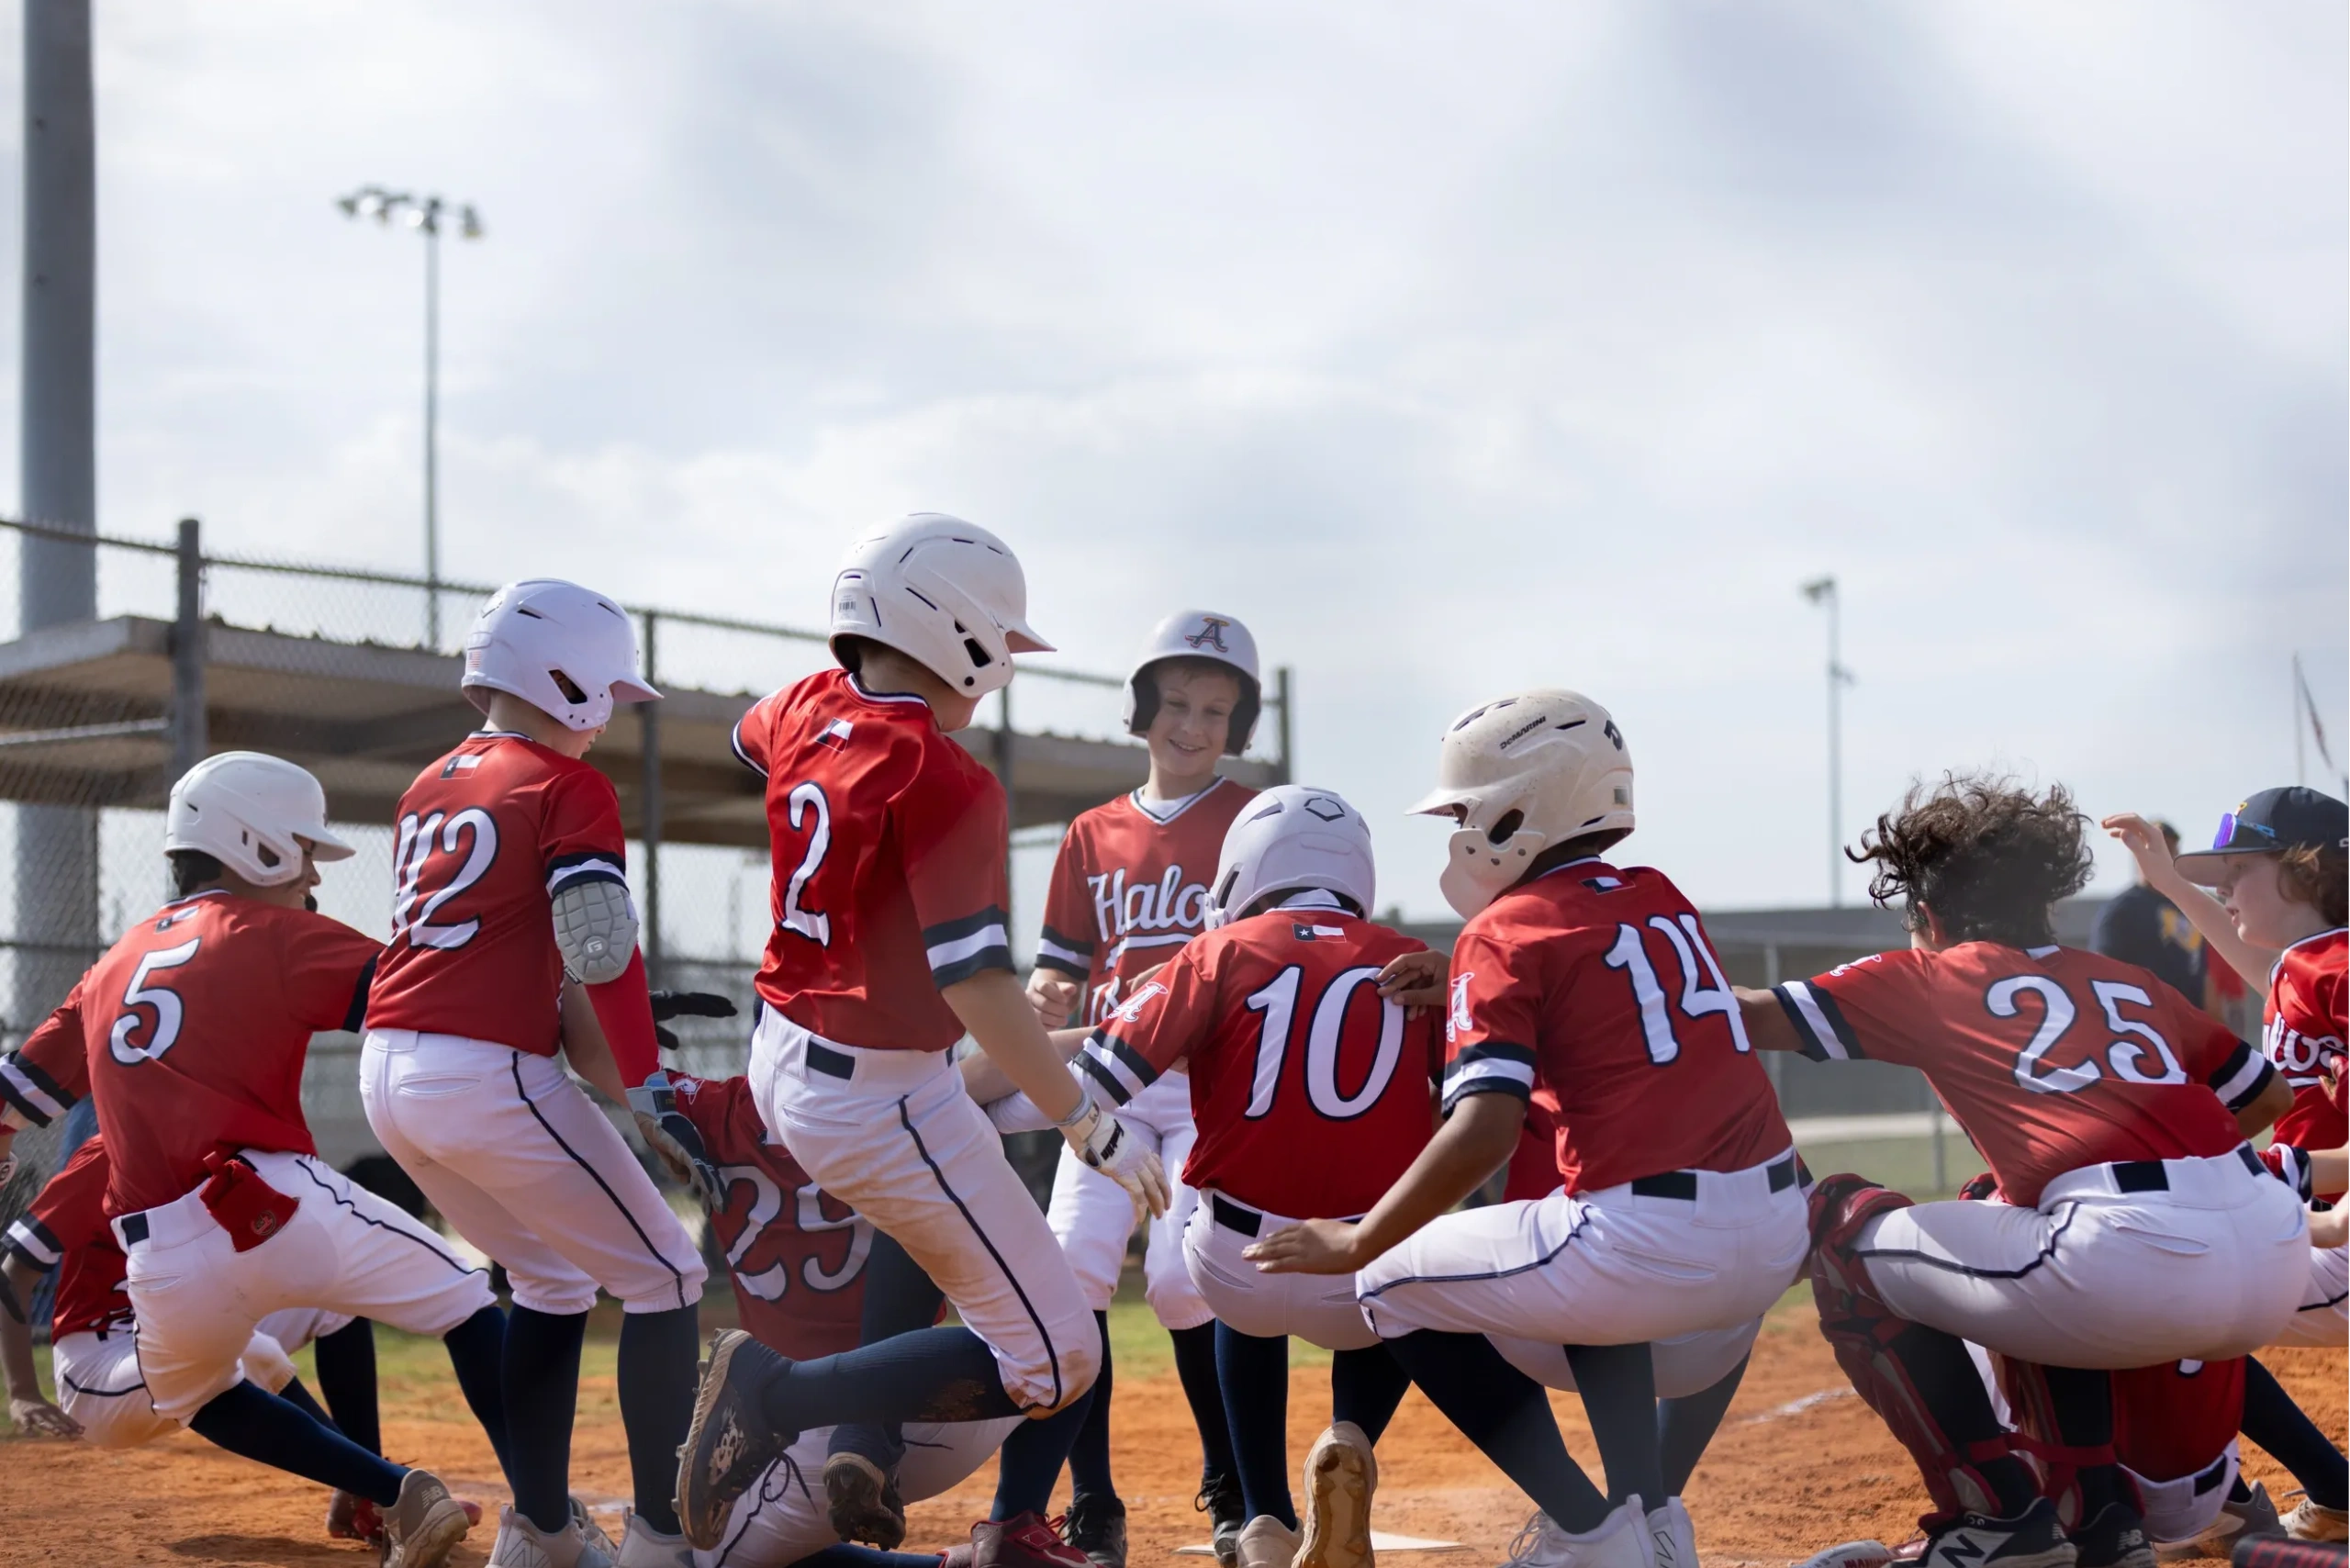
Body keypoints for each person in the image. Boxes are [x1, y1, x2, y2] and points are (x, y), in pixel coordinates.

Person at [676, 514, 1168, 1568]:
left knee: (962, 1218)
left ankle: (847, 1434)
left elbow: (745, 736)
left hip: (795, 1054)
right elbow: (980, 983)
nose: (999, 677)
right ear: (963, 638)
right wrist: (1085, 1120)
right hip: (876, 1092)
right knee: (1056, 1357)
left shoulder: (806, 704)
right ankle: (780, 1394)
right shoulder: (945, 777)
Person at [1248, 689, 1808, 1568]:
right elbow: (1617, 1017)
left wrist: (1359, 1239)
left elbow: (1483, 1134)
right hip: (1768, 1251)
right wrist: (1484, 984)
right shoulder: (1659, 895)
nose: (1456, 833)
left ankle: (1591, 1532)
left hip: (1655, 1253)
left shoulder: (1503, 930)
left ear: (1518, 808)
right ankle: (1654, 1518)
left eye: (1464, 811)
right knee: (1580, 1245)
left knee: (1393, 1280)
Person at [1747, 775, 2307, 1568]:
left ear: (1930, 916)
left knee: (1843, 1230)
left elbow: (1737, 1014)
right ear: (2043, 904)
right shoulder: (2127, 980)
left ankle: (2000, 1519)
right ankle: (2115, 1516)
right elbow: (2269, 1094)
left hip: (2124, 1258)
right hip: (2266, 1250)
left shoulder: (1937, 975)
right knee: (2004, 1212)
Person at [0, 752, 508, 1567]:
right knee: (466, 1300)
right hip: (260, 1200)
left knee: (207, 1387)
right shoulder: (273, 932)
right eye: (302, 852)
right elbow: (429, 990)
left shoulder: (111, 965)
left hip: (162, 1259)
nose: (311, 876)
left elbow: (17, 1092)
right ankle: (543, 1528)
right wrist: (571, 1002)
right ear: (256, 845)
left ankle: (381, 1489)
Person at [362, 577, 711, 1568]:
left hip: (390, 1071)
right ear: (565, 681)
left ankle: (541, 1533)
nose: (608, 719)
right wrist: (648, 1089)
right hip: (482, 1072)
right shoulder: (564, 784)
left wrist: (626, 1072)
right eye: (605, 692)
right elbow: (598, 948)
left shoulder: (426, 783)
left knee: (553, 1280)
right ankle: (657, 1537)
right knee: (669, 1276)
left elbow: (539, 968)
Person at [1026, 785, 1435, 1568]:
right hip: (1358, 1263)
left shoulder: (1214, 952)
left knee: (1230, 1286)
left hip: (1246, 1261)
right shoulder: (1407, 960)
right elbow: (1487, 1098)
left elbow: (1096, 1080)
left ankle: (1263, 1518)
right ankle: (1350, 1431)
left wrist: (1015, 1103)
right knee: (1412, 1276)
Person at [1010, 608, 1261, 1568]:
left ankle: (1231, 1485)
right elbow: (1062, 966)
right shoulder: (1091, 832)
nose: (1192, 724)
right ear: (1142, 707)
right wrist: (1046, 992)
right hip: (1110, 1081)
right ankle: (1094, 1500)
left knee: (1179, 1277)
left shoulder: (1251, 818)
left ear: (1236, 724)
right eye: (1177, 703)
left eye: (1215, 708)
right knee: (1069, 1284)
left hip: (1207, 1084)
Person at [621, 1066, 1022, 1568]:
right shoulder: (895, 1097)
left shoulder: (709, 1107)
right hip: (932, 1396)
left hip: (784, 1438)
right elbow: (1002, 1064)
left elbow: (607, 1064)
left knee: (685, 1558)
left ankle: (801, 1407)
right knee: (1065, 1340)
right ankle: (1014, 1533)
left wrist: (613, 1004)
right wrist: (1113, 1027)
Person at [0, 1131, 470, 1546]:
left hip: (182, 1322)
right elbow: (15, 1269)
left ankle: (369, 1497)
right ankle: (386, 1488)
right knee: (244, 1352)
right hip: (99, 1364)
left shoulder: (217, 1134)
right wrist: (21, 1391)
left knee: (328, 1305)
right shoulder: (110, 1153)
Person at [2102, 790, 2350, 1542]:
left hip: (2337, 1235)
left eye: (2237, 869)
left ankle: (2243, 1499)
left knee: (2148, 1286)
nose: (2220, 888)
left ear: (2304, 873)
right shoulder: (2306, 966)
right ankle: (2326, 1491)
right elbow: (2258, 963)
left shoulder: (2336, 967)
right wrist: (2169, 882)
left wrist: (2334, 1214)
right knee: (2148, 1277)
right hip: (2312, 1213)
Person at [2088, 820, 2210, 1002]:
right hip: (2147, 1022)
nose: (2164, 857)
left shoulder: (2189, 906)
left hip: (2191, 1022)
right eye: (2156, 849)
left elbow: (2204, 973)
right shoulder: (2121, 910)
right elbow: (2103, 974)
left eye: (2170, 850)